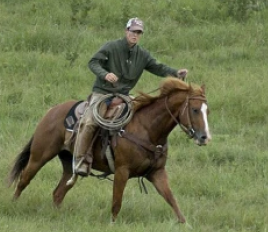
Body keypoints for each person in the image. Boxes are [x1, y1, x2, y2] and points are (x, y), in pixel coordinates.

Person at [72, 18, 188, 179]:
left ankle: (133, 153)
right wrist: (105, 74)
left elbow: (158, 67)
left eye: (138, 32)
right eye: (133, 31)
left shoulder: (142, 55)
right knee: (90, 122)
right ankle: (81, 160)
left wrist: (176, 73)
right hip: (102, 93)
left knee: (142, 115)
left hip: (124, 95)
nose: (135, 35)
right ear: (126, 31)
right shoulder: (111, 47)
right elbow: (93, 62)